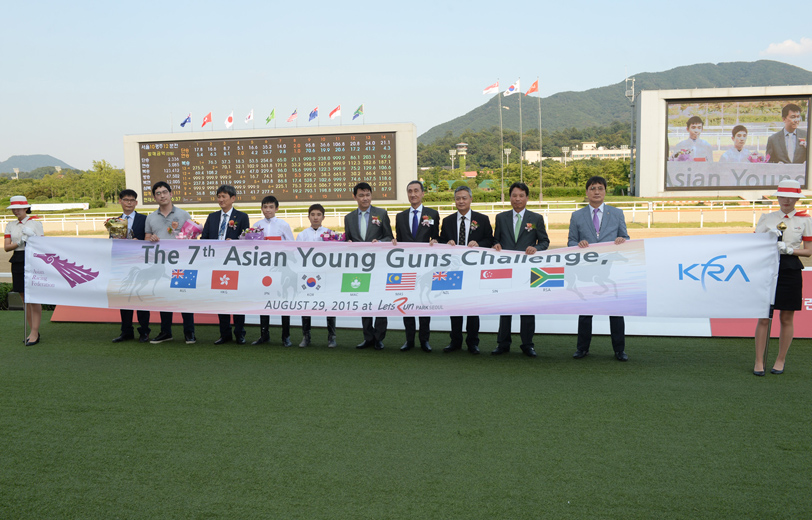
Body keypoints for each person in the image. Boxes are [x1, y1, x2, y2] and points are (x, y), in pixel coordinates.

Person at [567, 176, 631, 361]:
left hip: (609, 269)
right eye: (593, 188)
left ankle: (619, 350)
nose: (596, 191)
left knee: (616, 312)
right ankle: (582, 348)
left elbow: (626, 237)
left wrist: (622, 240)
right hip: (586, 269)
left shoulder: (617, 213)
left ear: (605, 191)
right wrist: (578, 244)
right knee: (585, 312)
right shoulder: (577, 215)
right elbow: (571, 241)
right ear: (587, 192)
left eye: (600, 188)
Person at [753, 179, 812, 376]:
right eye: (783, 196)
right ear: (777, 197)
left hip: (790, 269)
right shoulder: (767, 218)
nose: (786, 200)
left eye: (791, 197)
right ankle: (759, 360)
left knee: (786, 317)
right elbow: (754, 244)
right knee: (764, 317)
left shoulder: (805, 220)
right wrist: (767, 241)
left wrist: (790, 250)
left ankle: (780, 359)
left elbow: (808, 251)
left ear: (797, 199)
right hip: (768, 268)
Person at [492, 182, 550, 358]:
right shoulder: (501, 218)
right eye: (514, 195)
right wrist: (495, 245)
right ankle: (503, 344)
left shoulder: (536, 218)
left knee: (527, 308)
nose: (517, 199)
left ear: (527, 198)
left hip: (527, 270)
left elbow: (545, 242)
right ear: (510, 198)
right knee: (505, 308)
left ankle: (527, 344)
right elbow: (495, 240)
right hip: (506, 269)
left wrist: (536, 248)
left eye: (521, 196)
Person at [439, 185, 494, 354]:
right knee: (454, 307)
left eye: (464, 198)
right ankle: (455, 341)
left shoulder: (482, 219)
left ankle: (473, 342)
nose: (461, 201)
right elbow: (441, 240)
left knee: (472, 308)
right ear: (454, 200)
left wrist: (479, 244)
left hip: (474, 270)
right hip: (453, 270)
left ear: (471, 199)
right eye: (458, 198)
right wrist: (446, 243)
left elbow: (490, 240)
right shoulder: (447, 221)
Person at [145, 181, 197, 344]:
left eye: (164, 192)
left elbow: (192, 238)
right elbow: (146, 239)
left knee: (184, 296)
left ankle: (189, 332)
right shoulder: (150, 218)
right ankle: (166, 332)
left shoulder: (183, 215)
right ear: (154, 197)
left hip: (182, 263)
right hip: (161, 264)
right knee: (164, 297)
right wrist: (151, 239)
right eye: (158, 193)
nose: (162, 196)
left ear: (171, 194)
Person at [344, 182, 393, 350]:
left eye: (367, 195)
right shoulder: (349, 218)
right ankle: (368, 337)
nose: (365, 198)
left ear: (371, 195)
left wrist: (379, 242)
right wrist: (348, 243)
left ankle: (379, 338)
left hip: (379, 265)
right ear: (355, 197)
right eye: (361, 195)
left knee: (380, 300)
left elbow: (389, 237)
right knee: (364, 301)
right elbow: (347, 240)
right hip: (359, 267)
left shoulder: (381, 213)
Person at [392, 180, 440, 353]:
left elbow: (437, 237)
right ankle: (409, 339)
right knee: (408, 303)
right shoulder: (400, 216)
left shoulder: (432, 214)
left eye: (416, 191)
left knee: (423, 302)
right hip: (406, 267)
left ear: (422, 193)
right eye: (410, 191)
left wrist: (436, 241)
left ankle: (424, 340)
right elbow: (399, 239)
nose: (413, 194)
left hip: (426, 267)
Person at [201, 184, 250, 345]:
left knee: (237, 299)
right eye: (219, 197)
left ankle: (240, 333)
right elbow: (204, 239)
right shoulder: (212, 217)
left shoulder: (242, 217)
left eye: (224, 196)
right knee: (221, 298)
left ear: (233, 198)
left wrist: (234, 242)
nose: (220, 200)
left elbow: (246, 240)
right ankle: (225, 333)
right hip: (216, 264)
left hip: (235, 264)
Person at [251, 195, 294, 346]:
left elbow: (291, 245)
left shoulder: (283, 225)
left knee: (283, 299)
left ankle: (286, 336)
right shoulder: (257, 225)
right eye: (265, 207)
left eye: (271, 207)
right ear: (261, 209)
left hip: (281, 268)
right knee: (264, 299)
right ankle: (264, 335)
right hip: (264, 268)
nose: (268, 210)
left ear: (277, 208)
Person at [111, 189, 151, 343]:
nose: (129, 203)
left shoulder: (145, 219)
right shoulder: (114, 221)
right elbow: (112, 241)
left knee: (141, 297)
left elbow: (149, 240)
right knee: (124, 298)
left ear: (136, 202)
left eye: (132, 200)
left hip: (141, 264)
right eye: (126, 200)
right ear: (120, 201)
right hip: (123, 264)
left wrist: (138, 242)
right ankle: (126, 331)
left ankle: (144, 331)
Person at [295, 203, 337, 348]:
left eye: (318, 215)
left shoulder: (330, 234)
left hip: (326, 275)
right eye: (313, 215)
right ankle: (306, 336)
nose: (315, 217)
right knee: (306, 305)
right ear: (308, 217)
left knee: (329, 305)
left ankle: (331, 337)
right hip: (307, 276)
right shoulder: (302, 235)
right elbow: (297, 254)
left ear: (323, 217)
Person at [4, 195, 44, 346]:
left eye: (19, 208)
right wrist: (19, 242)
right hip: (18, 259)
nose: (16, 211)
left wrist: (32, 239)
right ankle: (33, 331)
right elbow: (7, 247)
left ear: (26, 208)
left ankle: (34, 332)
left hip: (33, 258)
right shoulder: (10, 225)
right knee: (24, 297)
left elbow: (43, 244)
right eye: (13, 209)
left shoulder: (35, 223)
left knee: (34, 297)